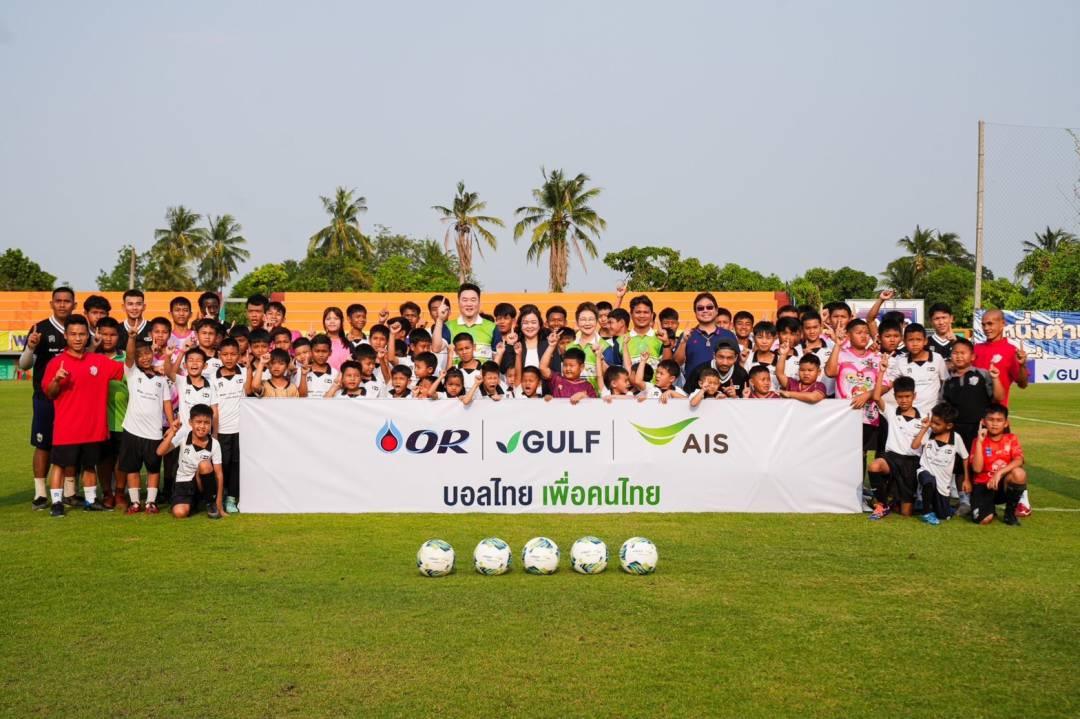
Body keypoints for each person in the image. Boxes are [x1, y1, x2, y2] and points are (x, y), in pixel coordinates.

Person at [41, 315, 126, 517]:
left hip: (93, 428)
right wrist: (56, 380)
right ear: (65, 336)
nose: (78, 338)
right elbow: (50, 393)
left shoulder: (100, 361)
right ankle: (57, 503)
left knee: (90, 466)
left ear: (88, 336)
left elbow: (128, 370)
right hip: (67, 428)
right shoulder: (56, 363)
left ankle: (90, 500)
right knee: (60, 466)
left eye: (81, 334)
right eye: (73, 334)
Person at [19, 286, 76, 509]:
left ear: (74, 305)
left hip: (72, 398)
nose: (62, 304)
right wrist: (30, 348)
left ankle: (70, 492)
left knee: (72, 444)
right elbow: (24, 366)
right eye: (58, 301)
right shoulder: (40, 329)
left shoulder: (78, 328)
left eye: (66, 301)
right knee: (43, 445)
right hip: (46, 399)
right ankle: (41, 494)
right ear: (52, 303)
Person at [973, 308, 1031, 516]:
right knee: (977, 460)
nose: (987, 328)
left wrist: (1022, 365)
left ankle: (1022, 500)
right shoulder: (976, 349)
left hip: (998, 417)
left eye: (991, 323)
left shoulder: (1011, 351)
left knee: (1008, 460)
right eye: (984, 324)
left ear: (1002, 324)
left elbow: (1023, 383)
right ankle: (973, 497)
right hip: (976, 417)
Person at [943, 338, 1005, 516]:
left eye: (963, 353)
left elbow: (999, 397)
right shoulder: (948, 381)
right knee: (959, 466)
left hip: (979, 430)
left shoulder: (983, 375)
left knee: (980, 464)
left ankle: (982, 497)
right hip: (957, 429)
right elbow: (943, 405)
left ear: (972, 356)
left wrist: (996, 378)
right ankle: (964, 500)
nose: (959, 356)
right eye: (955, 353)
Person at [118, 332, 173, 515]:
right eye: (139, 355)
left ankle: (150, 502)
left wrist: (172, 425)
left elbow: (166, 403)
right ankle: (135, 502)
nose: (145, 357)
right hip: (132, 430)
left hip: (154, 433)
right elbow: (129, 354)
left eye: (147, 353)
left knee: (153, 468)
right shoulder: (132, 373)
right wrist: (131, 337)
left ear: (153, 352)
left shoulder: (161, 379)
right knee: (132, 468)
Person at [826, 319, 884, 460]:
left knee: (863, 455)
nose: (864, 336)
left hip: (868, 415)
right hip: (845, 414)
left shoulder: (877, 357)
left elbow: (886, 385)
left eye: (866, 333)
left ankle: (862, 476)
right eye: (859, 332)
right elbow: (830, 372)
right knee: (844, 454)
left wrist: (867, 395)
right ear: (848, 335)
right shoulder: (840, 354)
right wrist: (837, 345)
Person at [867, 375, 922, 519]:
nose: (904, 400)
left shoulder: (924, 418)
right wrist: (881, 372)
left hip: (911, 463)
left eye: (907, 396)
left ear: (914, 396)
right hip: (891, 458)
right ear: (895, 397)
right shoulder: (891, 412)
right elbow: (876, 396)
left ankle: (896, 501)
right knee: (874, 466)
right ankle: (882, 504)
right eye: (900, 397)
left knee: (905, 513)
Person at [157, 404, 225, 519]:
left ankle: (210, 502)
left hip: (201, 483)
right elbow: (160, 452)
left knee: (204, 464)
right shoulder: (183, 436)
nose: (202, 426)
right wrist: (173, 432)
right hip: (183, 482)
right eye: (198, 422)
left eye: (206, 423)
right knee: (179, 513)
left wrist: (219, 502)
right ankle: (193, 503)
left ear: (211, 424)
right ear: (190, 422)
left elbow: (219, 474)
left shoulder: (215, 444)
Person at [969, 404, 1028, 526]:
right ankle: (988, 509)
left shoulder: (1011, 438)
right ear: (983, 422)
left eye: (999, 420)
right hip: (984, 485)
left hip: (1002, 485)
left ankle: (1010, 514)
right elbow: (977, 469)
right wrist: (979, 443)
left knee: (1019, 473)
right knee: (984, 520)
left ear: (1006, 423)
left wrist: (999, 473)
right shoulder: (977, 441)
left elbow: (1019, 460)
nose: (994, 424)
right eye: (991, 419)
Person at [911, 402, 969, 526]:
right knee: (928, 480)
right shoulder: (928, 433)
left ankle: (943, 508)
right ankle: (926, 512)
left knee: (944, 515)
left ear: (949, 426)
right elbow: (914, 446)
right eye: (932, 421)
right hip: (925, 472)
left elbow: (965, 458)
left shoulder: (956, 438)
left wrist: (967, 480)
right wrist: (924, 428)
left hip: (943, 483)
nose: (933, 425)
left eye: (937, 424)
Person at [880, 323, 949, 416]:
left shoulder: (937, 358)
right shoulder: (900, 361)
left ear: (925, 341)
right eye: (911, 340)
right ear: (904, 342)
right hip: (909, 415)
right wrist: (870, 394)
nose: (915, 344)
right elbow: (889, 384)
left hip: (933, 414)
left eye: (918, 339)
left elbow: (945, 382)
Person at [94, 317, 126, 509]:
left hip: (123, 418)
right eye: (104, 334)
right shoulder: (91, 357)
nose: (107, 338)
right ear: (97, 334)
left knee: (122, 459)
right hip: (99, 420)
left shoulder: (126, 358)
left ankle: (120, 493)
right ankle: (107, 493)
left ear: (118, 336)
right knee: (104, 459)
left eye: (112, 334)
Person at [675, 292, 738, 390]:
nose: (705, 310)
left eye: (709, 307)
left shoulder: (729, 335)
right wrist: (683, 342)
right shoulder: (687, 335)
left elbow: (735, 363)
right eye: (700, 308)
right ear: (695, 312)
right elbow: (677, 364)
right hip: (693, 390)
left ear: (716, 311)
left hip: (722, 391)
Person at [212, 337, 245, 514]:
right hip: (222, 431)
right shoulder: (213, 378)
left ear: (239, 355)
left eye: (233, 354)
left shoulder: (245, 373)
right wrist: (215, 433)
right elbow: (214, 409)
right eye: (225, 354)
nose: (229, 358)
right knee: (222, 465)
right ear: (219, 355)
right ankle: (220, 495)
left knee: (236, 465)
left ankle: (232, 498)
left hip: (241, 430)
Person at [431, 283, 498, 362]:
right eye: (465, 300)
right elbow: (436, 348)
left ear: (479, 302)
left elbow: (497, 357)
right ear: (459, 302)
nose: (469, 304)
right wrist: (440, 319)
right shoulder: (449, 326)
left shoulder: (492, 327)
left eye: (473, 300)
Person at [539, 333, 598, 403]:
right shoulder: (557, 380)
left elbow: (594, 405)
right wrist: (551, 346)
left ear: (582, 367)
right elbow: (543, 368)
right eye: (565, 365)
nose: (567, 369)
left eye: (571, 366)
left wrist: (584, 396)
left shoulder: (587, 386)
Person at [568, 302, 610, 393]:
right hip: (572, 397)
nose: (587, 323)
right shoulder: (569, 347)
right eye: (583, 319)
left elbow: (611, 376)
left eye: (591, 319)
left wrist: (600, 358)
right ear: (577, 322)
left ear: (596, 321)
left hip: (597, 398)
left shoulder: (606, 347)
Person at [625, 295, 664, 368]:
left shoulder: (661, 339)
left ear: (652, 315)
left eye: (646, 312)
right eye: (638, 312)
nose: (642, 316)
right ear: (631, 314)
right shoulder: (621, 340)